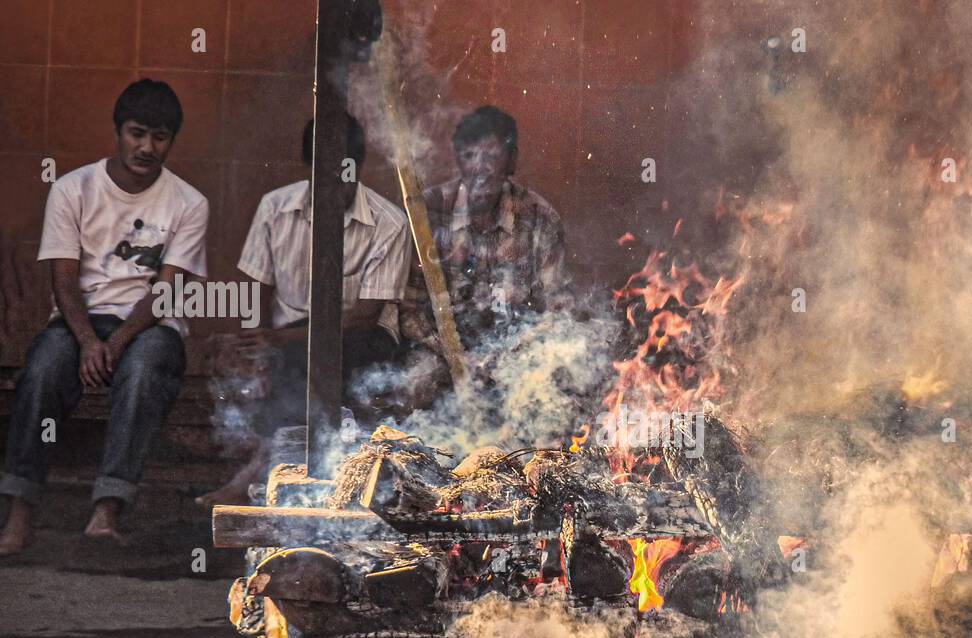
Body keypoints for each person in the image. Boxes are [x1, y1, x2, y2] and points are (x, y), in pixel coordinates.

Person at [0, 79, 208, 553]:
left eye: (160, 137)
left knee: (142, 371)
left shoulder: (189, 203)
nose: (147, 147)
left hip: (151, 327)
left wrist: (115, 344)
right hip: (78, 323)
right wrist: (89, 340)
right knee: (44, 367)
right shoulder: (73, 188)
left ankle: (107, 510)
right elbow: (63, 278)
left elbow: (167, 291)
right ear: (118, 132)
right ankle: (21, 511)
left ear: (171, 140)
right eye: (137, 133)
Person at [196, 115, 411, 506]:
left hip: (360, 336)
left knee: (312, 358)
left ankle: (294, 475)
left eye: (345, 171)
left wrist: (275, 341)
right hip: (287, 334)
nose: (335, 182)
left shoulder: (389, 223)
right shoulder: (275, 208)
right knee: (251, 359)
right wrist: (254, 345)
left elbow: (365, 314)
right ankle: (271, 472)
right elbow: (255, 289)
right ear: (308, 166)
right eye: (324, 171)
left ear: (358, 168)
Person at [399, 105, 573, 381]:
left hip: (517, 354)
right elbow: (409, 312)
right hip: (444, 353)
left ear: (512, 161)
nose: (482, 168)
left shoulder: (541, 218)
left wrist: (508, 357)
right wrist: (455, 355)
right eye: (470, 155)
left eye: (493, 155)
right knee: (415, 382)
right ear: (458, 160)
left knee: (556, 388)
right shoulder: (430, 213)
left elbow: (556, 310)